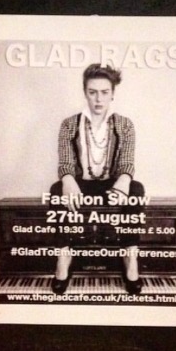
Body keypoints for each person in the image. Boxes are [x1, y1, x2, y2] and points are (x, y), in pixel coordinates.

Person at [49, 63, 145, 295]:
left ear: (112, 94)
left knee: (137, 189)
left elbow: (127, 161)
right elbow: (65, 161)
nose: (98, 99)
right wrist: (68, 179)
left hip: (112, 185)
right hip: (80, 185)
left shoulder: (125, 124)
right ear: (85, 93)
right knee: (55, 189)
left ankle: (130, 260)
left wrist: (124, 179)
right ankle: (64, 258)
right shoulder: (69, 124)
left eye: (104, 92)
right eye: (92, 92)